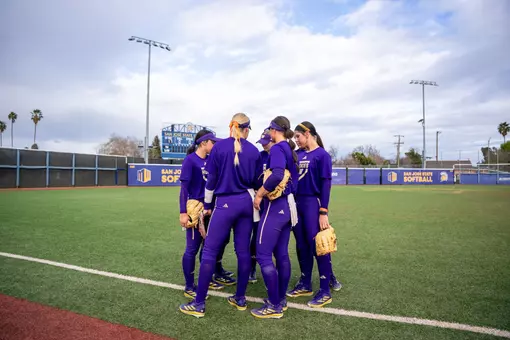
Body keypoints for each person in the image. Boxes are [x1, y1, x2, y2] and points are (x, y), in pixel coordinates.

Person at [179, 113, 263, 318]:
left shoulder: (218, 148)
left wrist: (207, 205)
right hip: (247, 203)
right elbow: (256, 181)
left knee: (209, 252)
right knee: (242, 252)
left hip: (225, 204)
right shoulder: (254, 150)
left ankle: (198, 304)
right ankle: (240, 298)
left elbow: (211, 181)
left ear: (231, 127)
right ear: (246, 129)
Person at [286, 121, 342, 308]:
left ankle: (325, 289)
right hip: (296, 203)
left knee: (318, 244)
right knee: (301, 245)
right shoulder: (298, 154)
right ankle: (305, 283)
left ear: (308, 133)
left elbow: (326, 185)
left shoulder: (322, 155)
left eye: (298, 136)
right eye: (294, 137)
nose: (297, 140)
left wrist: (323, 211)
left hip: (312, 203)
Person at [250, 116, 299, 319]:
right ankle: (280, 299)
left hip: (275, 206)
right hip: (288, 205)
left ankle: (274, 307)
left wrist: (260, 193)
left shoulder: (278, 148)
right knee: (281, 255)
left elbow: (278, 174)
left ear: (274, 130)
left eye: (270, 128)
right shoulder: (288, 147)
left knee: (262, 254)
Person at [179, 129, 233, 299]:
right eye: (212, 142)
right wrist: (183, 212)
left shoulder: (211, 160)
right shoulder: (190, 161)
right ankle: (189, 286)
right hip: (196, 210)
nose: (214, 145)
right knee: (192, 248)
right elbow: (184, 190)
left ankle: (206, 279)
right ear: (203, 143)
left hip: (212, 209)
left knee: (208, 247)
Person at [249, 128, 274, 284]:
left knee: (274, 238)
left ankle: (272, 269)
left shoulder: (280, 155)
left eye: (266, 142)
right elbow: (253, 178)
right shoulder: (260, 156)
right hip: (260, 201)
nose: (264, 146)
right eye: (262, 143)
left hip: (275, 202)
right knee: (256, 235)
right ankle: (252, 268)